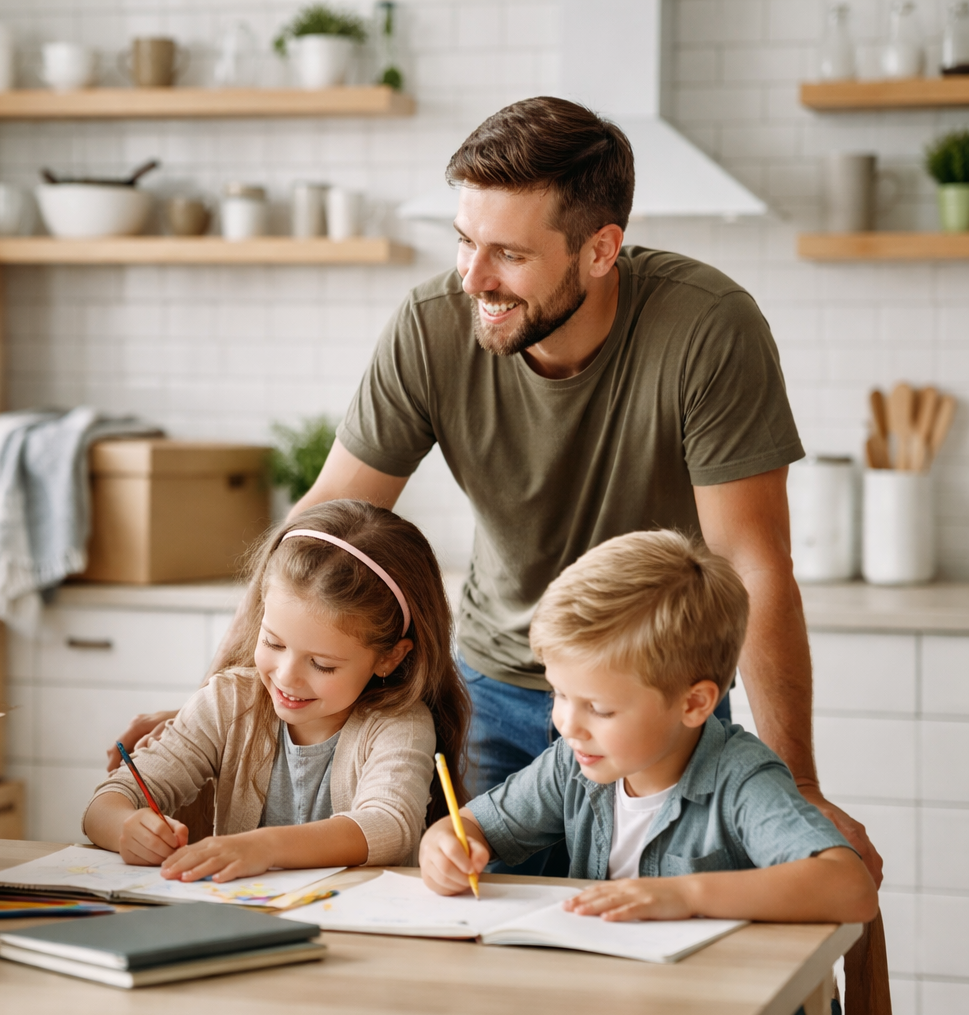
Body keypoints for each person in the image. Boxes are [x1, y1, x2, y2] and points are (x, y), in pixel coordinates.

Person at [109, 96, 882, 882]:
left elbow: (753, 565)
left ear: (601, 250)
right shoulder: (433, 325)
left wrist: (801, 782)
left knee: (659, 942)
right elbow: (321, 526)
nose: (474, 278)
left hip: (649, 694)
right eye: (463, 242)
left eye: (508, 254)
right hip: (490, 694)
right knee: (481, 934)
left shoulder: (709, 330)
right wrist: (232, 694)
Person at [419, 530, 878, 932]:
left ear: (694, 704)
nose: (567, 724)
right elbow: (473, 828)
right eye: (559, 694)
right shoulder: (573, 763)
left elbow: (849, 886)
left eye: (599, 708)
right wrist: (444, 847)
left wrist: (686, 896)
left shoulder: (742, 779)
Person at [83, 500, 469, 881]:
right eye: (273, 642)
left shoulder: (399, 724)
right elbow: (106, 803)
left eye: (322, 664)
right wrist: (126, 828)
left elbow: (388, 826)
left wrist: (262, 847)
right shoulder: (228, 702)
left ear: (389, 658)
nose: (287, 677)